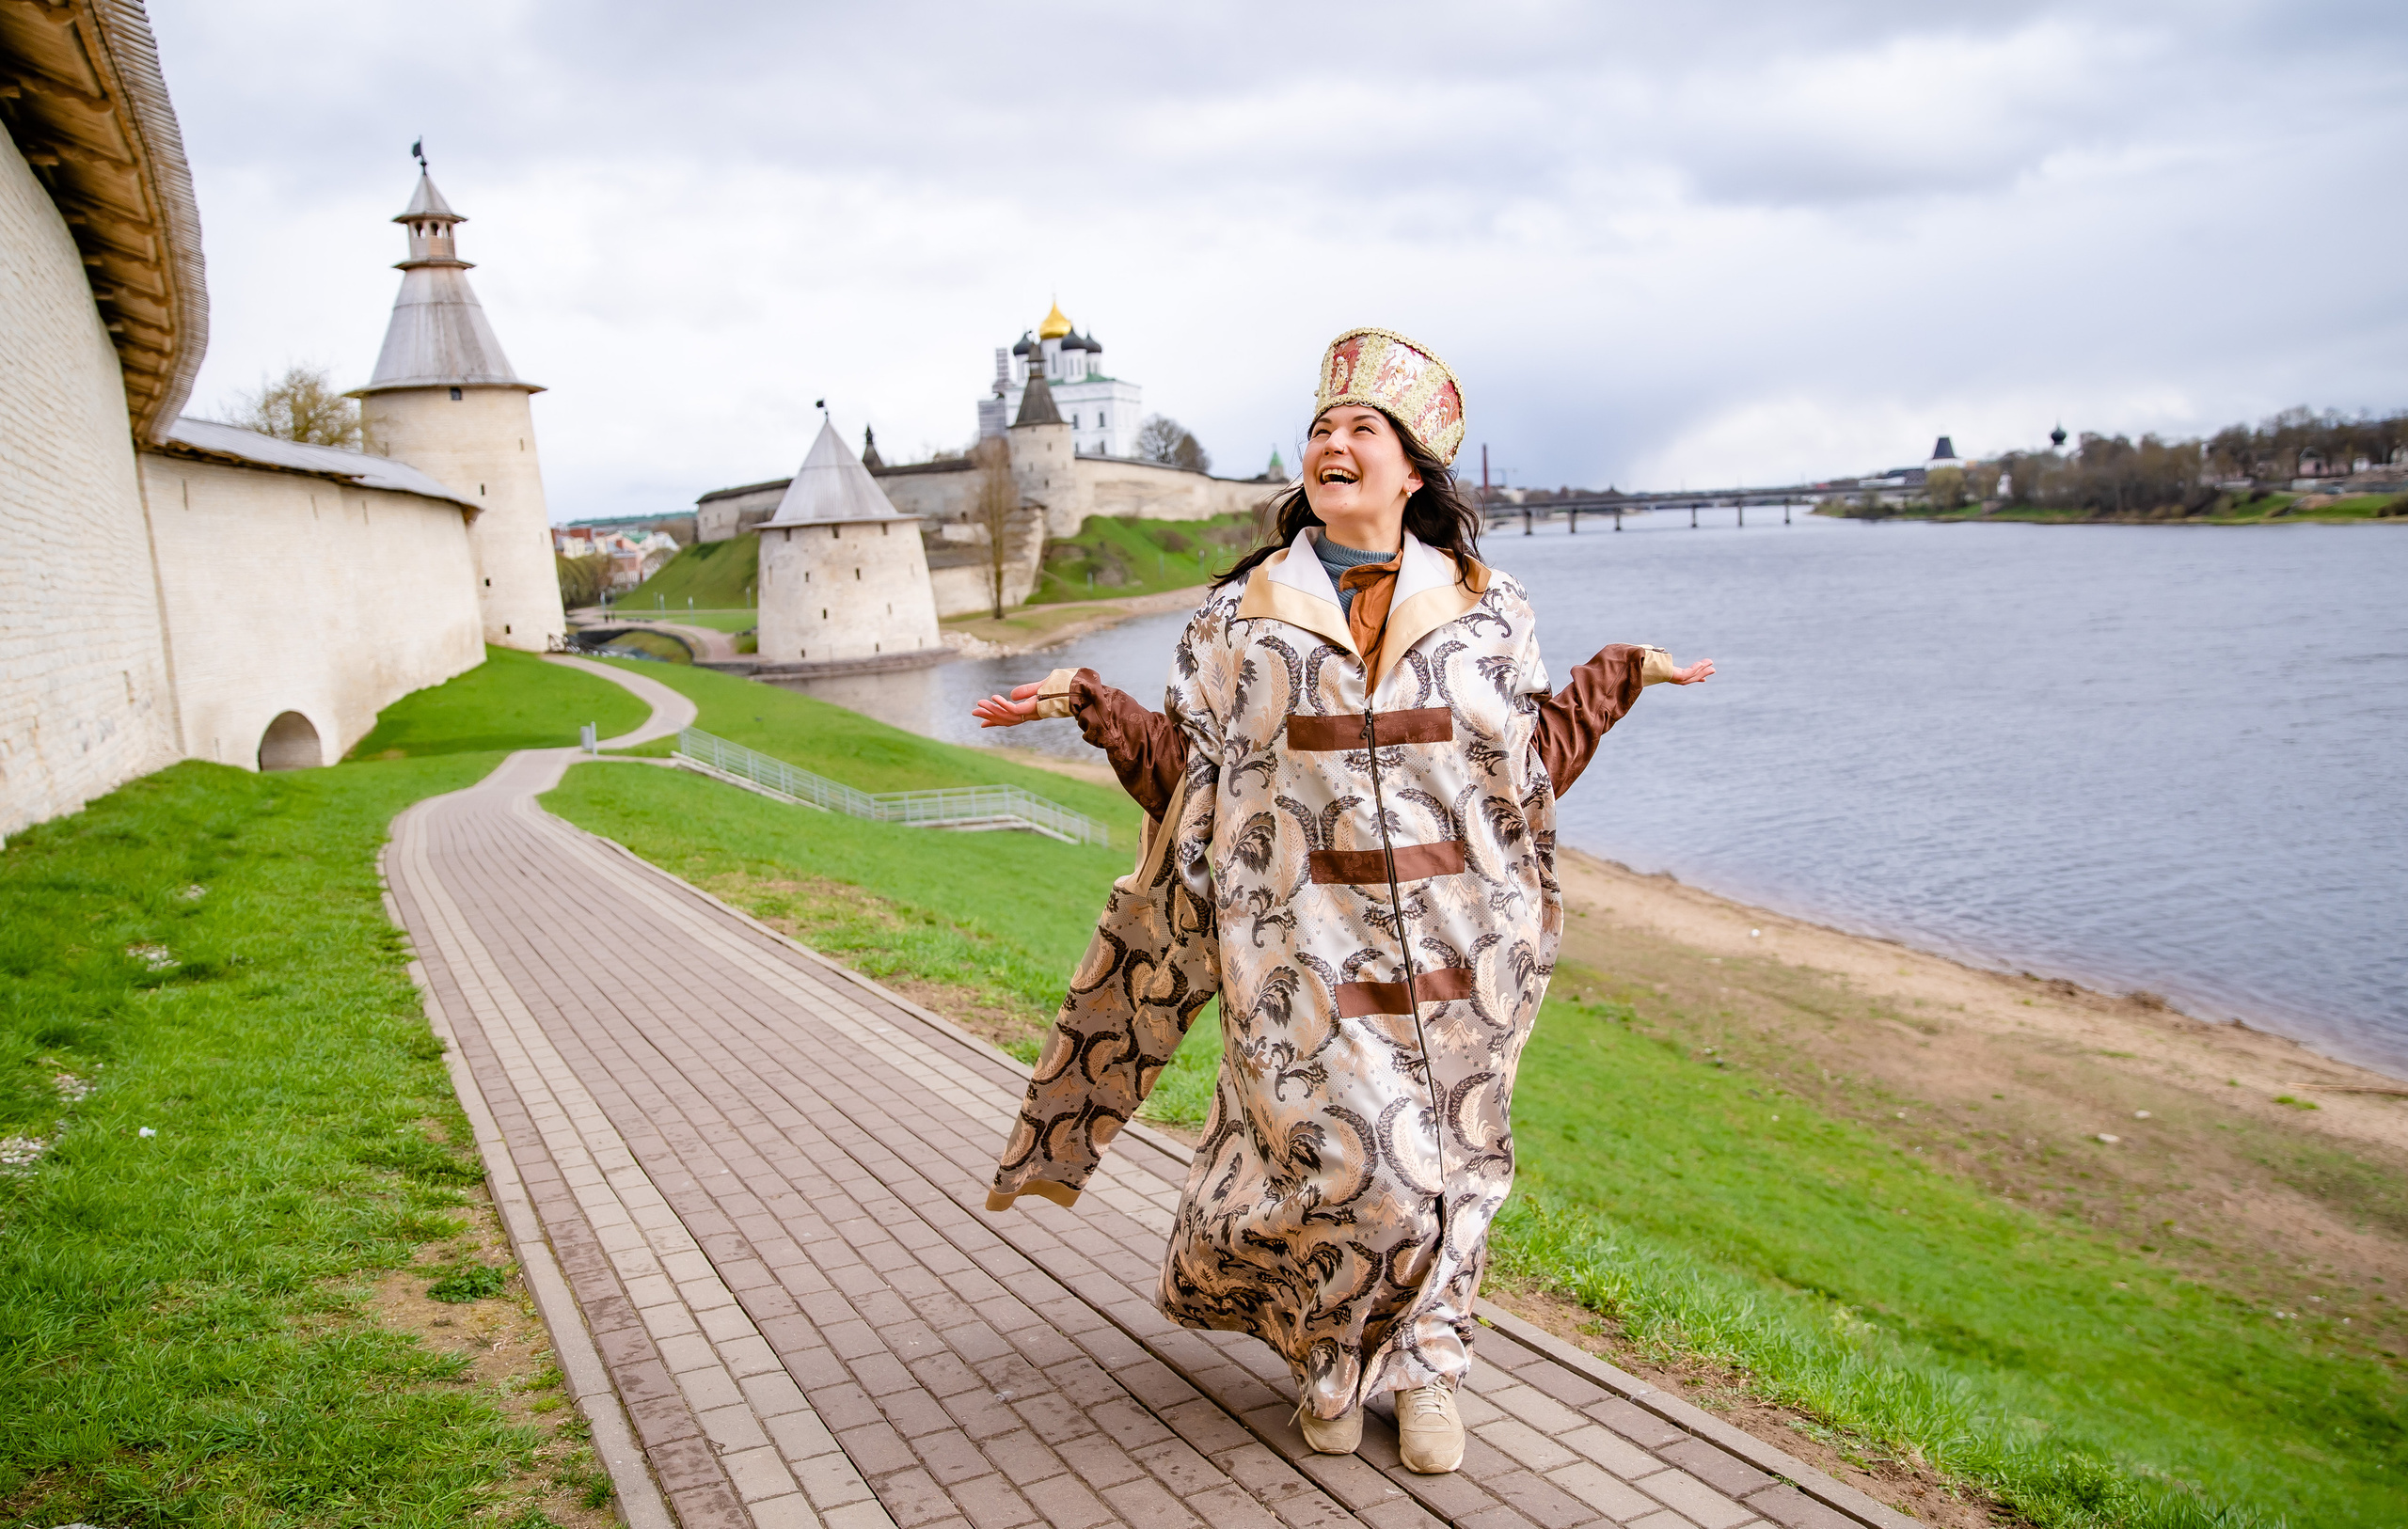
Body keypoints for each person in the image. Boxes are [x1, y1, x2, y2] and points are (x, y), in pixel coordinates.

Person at [974, 327, 1712, 1474]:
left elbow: (1512, 777)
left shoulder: (1487, 606)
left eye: (1363, 429)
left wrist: (1612, 679)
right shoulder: (1239, 618)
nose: (1334, 440)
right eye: (1323, 427)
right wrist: (1091, 704)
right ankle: (1329, 1358)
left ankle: (1426, 1372)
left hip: (1464, 963)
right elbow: (1195, 784)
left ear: (1410, 471)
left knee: (1453, 1175)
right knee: (1358, 1175)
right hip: (1302, 968)